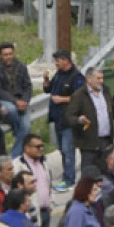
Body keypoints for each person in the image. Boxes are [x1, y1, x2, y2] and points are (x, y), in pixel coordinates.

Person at [66, 67, 114, 173]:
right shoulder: (79, 96)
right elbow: (69, 117)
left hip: (107, 141)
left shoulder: (106, 91)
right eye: (98, 78)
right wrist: (79, 120)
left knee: (107, 171)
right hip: (89, 143)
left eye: (102, 78)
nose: (101, 81)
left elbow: (113, 112)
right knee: (89, 173)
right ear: (89, 79)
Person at [43, 49, 86, 191]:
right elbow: (49, 91)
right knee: (62, 149)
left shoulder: (76, 77)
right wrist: (46, 82)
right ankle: (67, 176)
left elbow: (80, 97)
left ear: (66, 60)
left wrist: (61, 99)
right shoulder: (59, 75)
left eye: (58, 60)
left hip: (69, 120)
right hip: (58, 119)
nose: (56, 63)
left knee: (68, 150)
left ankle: (69, 180)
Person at [0, 42, 32, 158]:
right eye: (5, 55)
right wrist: (15, 101)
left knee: (26, 128)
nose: (8, 57)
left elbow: (28, 86)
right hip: (3, 100)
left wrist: (25, 101)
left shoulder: (21, 67)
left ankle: (14, 159)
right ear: (1, 55)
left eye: (10, 54)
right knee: (12, 110)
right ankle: (17, 130)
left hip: (21, 101)